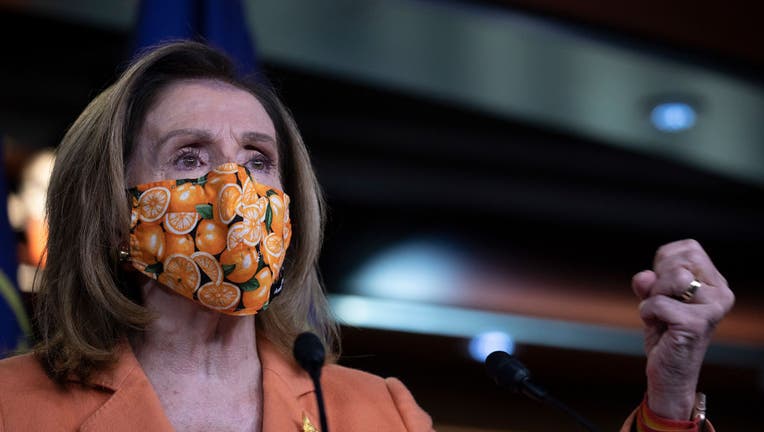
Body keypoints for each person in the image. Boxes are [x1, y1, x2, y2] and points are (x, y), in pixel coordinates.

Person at [0, 41, 733, 432]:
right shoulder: (14, 407)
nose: (236, 189)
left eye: (259, 160)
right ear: (113, 203)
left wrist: (669, 397)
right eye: (190, 157)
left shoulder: (376, 413)